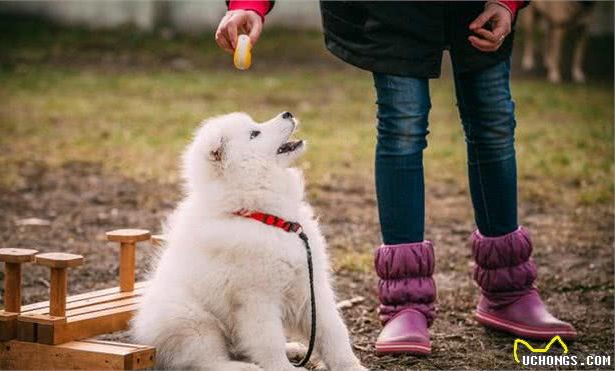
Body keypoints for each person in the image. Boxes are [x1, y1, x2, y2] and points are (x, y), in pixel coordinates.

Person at [215, 0, 577, 355]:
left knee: (494, 123)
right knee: (402, 126)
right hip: (394, 10)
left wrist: (507, 3)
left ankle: (509, 290)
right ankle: (405, 304)